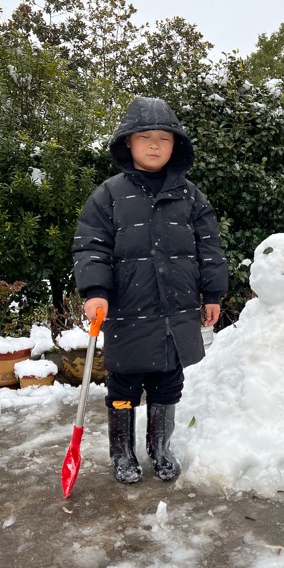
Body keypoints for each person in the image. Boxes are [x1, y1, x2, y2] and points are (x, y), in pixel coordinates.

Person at [72, 96, 228, 484]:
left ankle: (160, 448)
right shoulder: (108, 195)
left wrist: (212, 294)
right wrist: (95, 290)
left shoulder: (190, 196)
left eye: (164, 138)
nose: (154, 145)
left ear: (176, 145)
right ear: (128, 142)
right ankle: (122, 452)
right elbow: (91, 246)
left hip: (176, 313)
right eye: (145, 137)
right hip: (127, 313)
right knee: (123, 387)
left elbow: (209, 248)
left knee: (168, 385)